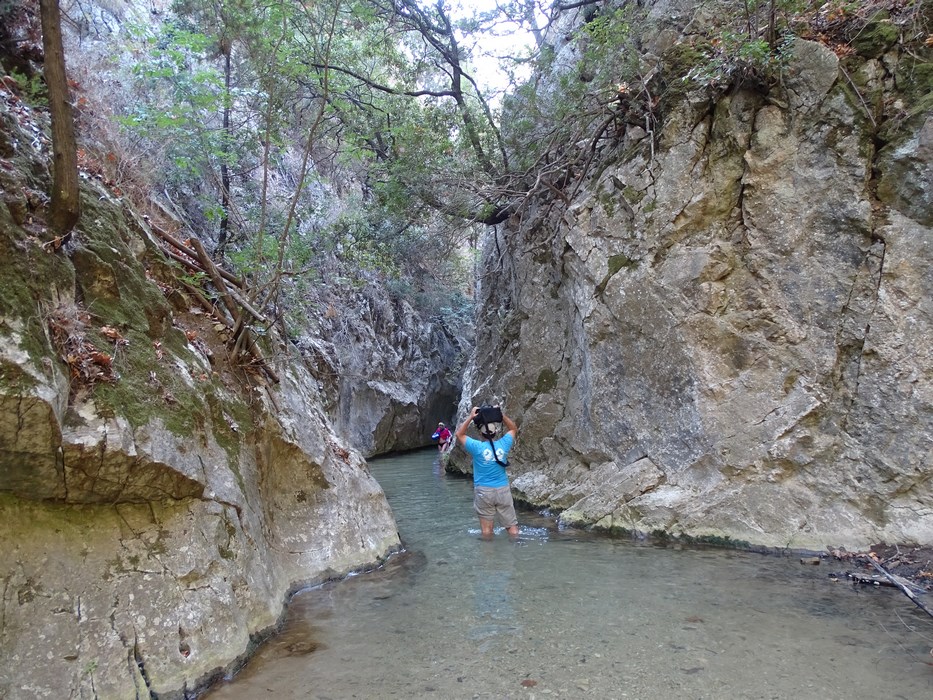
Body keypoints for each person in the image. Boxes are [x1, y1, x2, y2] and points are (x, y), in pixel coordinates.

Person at [455, 405, 519, 539]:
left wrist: (471, 417)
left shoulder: (477, 447)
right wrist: (501, 415)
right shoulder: (504, 444)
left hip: (484, 491)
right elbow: (513, 428)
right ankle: (516, 550)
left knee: (487, 531)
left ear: (480, 433)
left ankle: (489, 558)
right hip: (503, 490)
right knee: (512, 527)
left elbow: (459, 434)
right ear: (495, 432)